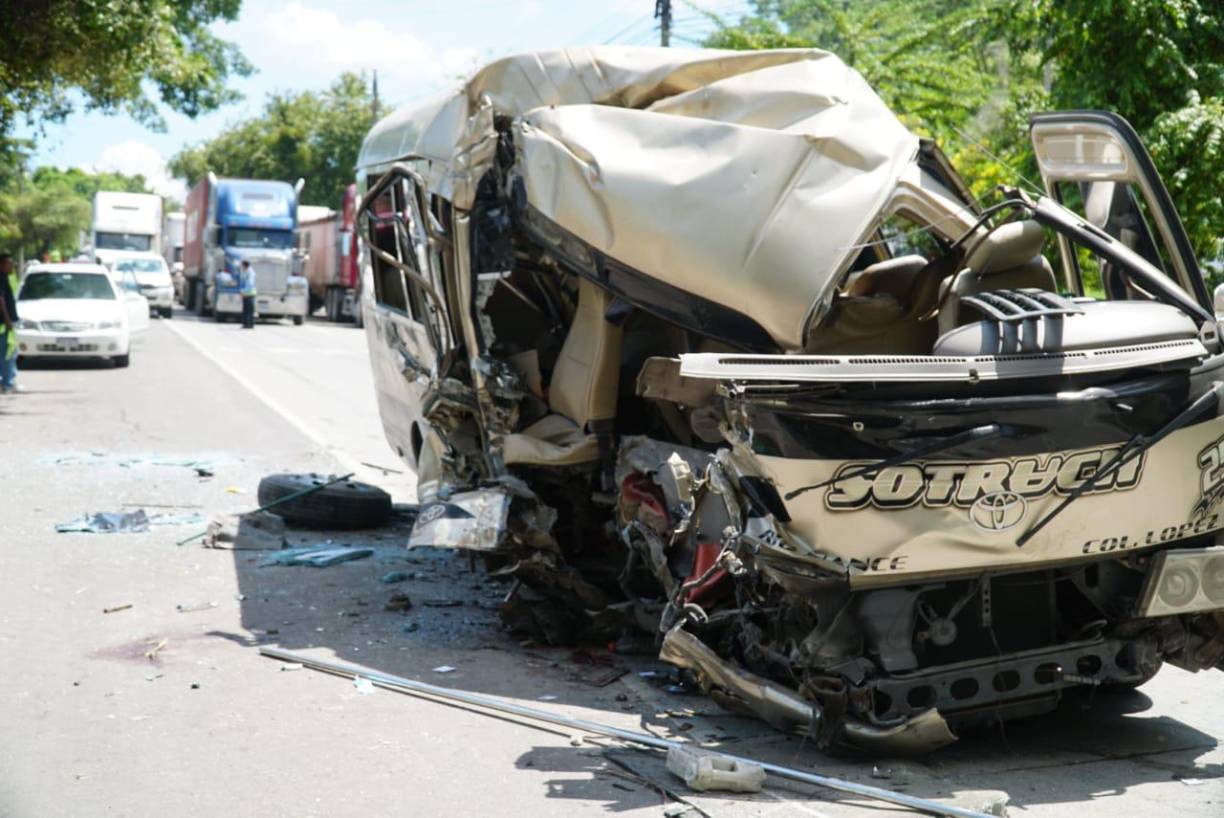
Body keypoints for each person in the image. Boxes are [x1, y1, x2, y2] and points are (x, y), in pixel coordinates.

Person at [0, 253, 20, 393]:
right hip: (3, 323)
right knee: (8, 353)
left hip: (6, 322)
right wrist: (7, 320)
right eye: (9, 263)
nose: (11, 265)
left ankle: (7, 382)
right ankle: (7, 383)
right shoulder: (1, 278)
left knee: (8, 352)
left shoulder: (6, 277)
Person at [239, 260, 257, 329]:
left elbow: (250, 283)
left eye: (242, 265)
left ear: (244, 265)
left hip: (249, 293)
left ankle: (249, 324)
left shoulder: (250, 272)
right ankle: (246, 324)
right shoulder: (246, 271)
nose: (241, 267)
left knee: (249, 310)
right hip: (247, 293)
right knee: (246, 310)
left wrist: (243, 291)